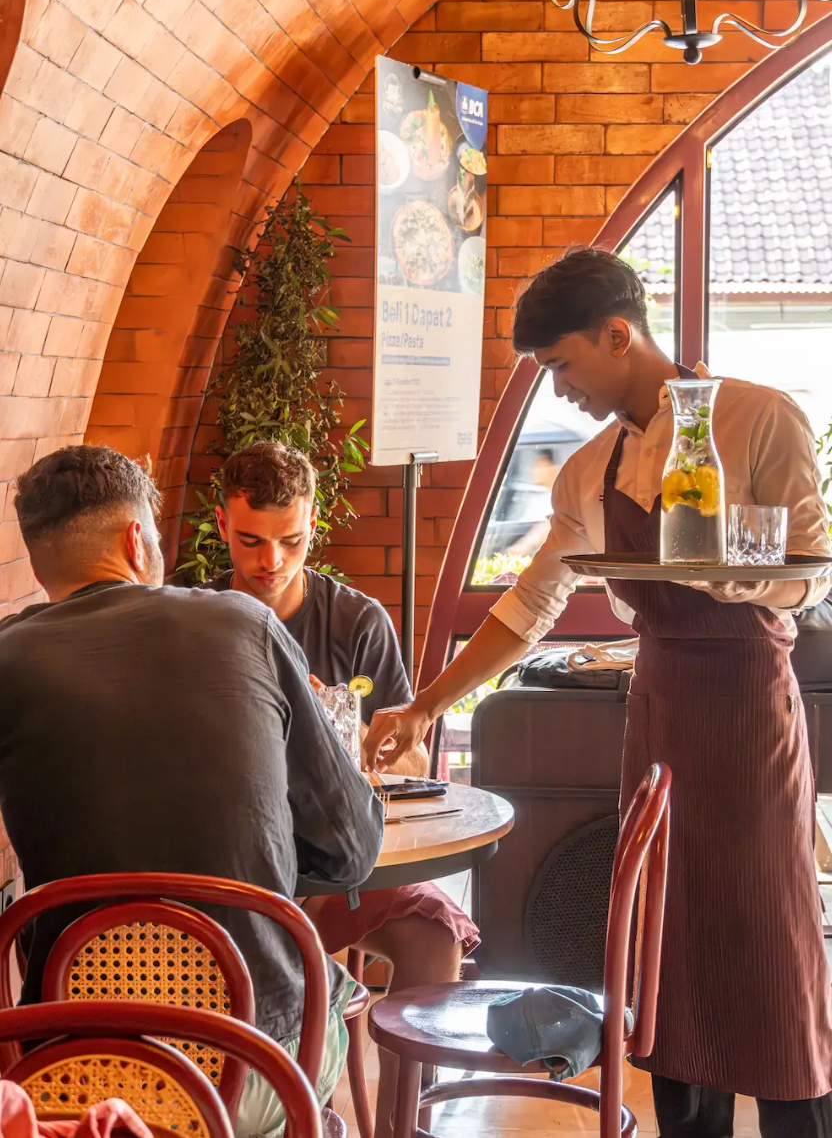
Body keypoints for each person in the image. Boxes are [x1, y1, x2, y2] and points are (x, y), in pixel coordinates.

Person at [366, 247, 832, 1137]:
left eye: (563, 364)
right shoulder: (588, 471)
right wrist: (426, 704)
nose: (560, 388)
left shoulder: (761, 416)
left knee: (771, 947)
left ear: (619, 334)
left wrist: (732, 578)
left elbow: (813, 571)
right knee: (668, 953)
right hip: (659, 718)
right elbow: (528, 606)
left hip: (750, 713)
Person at [0, 445, 385, 1138]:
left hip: (71, 1069)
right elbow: (352, 849)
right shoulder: (244, 623)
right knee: (329, 1002)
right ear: (136, 540)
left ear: (37, 562)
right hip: (252, 1068)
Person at [205, 441, 479, 1138]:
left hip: (335, 866)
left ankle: (400, 1127)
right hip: (231, 874)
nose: (271, 561)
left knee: (433, 934)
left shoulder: (356, 622)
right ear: (222, 522)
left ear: (314, 524)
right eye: (251, 540)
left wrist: (355, 734)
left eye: (292, 541)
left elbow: (412, 756)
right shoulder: (196, 620)